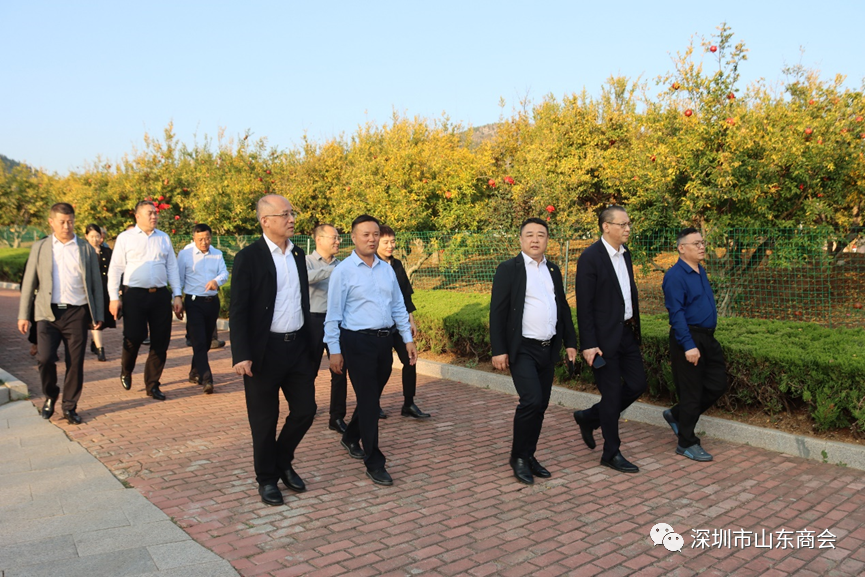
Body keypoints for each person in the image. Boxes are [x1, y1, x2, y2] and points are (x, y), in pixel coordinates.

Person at [230, 195, 317, 507]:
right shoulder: (248, 257)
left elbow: (301, 301)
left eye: (292, 213)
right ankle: (267, 479)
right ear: (265, 221)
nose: (292, 219)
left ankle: (282, 461)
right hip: (263, 352)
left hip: (297, 348)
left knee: (306, 410)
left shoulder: (297, 254)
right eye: (285, 214)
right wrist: (241, 353)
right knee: (264, 421)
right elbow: (238, 309)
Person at [325, 215, 417, 486]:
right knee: (368, 401)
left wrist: (407, 339)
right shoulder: (343, 271)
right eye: (365, 234)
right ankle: (374, 461)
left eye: (375, 234)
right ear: (353, 238)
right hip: (356, 342)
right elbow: (333, 314)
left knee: (372, 396)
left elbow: (398, 306)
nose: (372, 239)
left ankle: (350, 436)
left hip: (384, 342)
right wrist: (334, 350)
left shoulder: (386, 269)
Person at [489, 218, 578, 484]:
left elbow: (562, 308)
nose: (535, 239)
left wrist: (570, 342)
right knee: (531, 401)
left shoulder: (553, 269)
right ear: (520, 239)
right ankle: (517, 457)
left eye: (541, 235)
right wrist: (499, 350)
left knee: (541, 405)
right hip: (523, 348)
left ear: (548, 240)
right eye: (530, 235)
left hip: (547, 349)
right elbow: (497, 312)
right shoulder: (508, 269)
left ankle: (529, 455)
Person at [573, 205, 647, 473]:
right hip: (602, 341)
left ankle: (590, 416)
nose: (628, 228)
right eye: (622, 224)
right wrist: (588, 344)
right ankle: (611, 453)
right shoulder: (590, 257)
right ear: (606, 226)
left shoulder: (626, 254)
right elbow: (584, 305)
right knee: (612, 394)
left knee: (638, 384)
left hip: (626, 333)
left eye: (629, 224)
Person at [17, 203, 104, 425]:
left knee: (75, 362)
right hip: (47, 312)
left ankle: (69, 406)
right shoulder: (40, 247)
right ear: (51, 222)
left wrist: (98, 314)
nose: (67, 226)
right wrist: (23, 314)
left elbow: (96, 284)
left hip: (77, 312)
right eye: (62, 222)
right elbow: (29, 282)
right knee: (44, 358)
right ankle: (50, 394)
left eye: (70, 222)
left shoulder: (84, 248)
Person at [661, 228, 728, 462]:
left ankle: (677, 415)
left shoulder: (700, 270)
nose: (702, 246)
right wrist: (689, 345)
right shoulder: (675, 276)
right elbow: (676, 314)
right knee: (691, 392)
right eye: (696, 243)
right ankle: (686, 443)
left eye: (702, 242)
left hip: (707, 337)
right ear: (681, 248)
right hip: (688, 338)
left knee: (717, 384)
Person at [107, 200, 183, 401]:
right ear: (137, 216)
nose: (154, 216)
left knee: (160, 341)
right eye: (149, 213)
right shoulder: (125, 238)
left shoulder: (163, 238)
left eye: (155, 213)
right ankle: (126, 369)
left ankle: (153, 384)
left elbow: (172, 267)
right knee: (134, 336)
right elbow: (115, 269)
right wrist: (114, 297)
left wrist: (177, 294)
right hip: (134, 295)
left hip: (160, 295)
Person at [376, 225, 431, 419]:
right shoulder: (371, 266)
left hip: (399, 324)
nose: (390, 246)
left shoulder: (397, 265)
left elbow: (405, 296)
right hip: (380, 326)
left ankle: (409, 403)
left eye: (392, 241)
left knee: (410, 360)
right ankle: (373, 403)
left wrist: (410, 321)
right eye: (385, 242)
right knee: (383, 367)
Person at [305, 223, 350, 433]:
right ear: (319, 239)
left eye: (338, 238)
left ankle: (337, 416)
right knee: (309, 369)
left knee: (339, 368)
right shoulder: (305, 261)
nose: (338, 241)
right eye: (334, 238)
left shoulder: (342, 264)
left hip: (338, 322)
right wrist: (331, 271)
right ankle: (306, 408)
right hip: (313, 321)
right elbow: (304, 279)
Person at [177, 224, 228, 395]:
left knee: (205, 342)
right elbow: (179, 278)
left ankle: (194, 372)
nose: (204, 242)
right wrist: (177, 298)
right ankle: (207, 379)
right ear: (194, 238)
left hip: (212, 302)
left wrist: (216, 281)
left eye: (207, 238)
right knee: (198, 341)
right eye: (200, 239)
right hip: (194, 303)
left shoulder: (217, 254)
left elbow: (224, 273)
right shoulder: (185, 254)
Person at [84, 223, 115, 362]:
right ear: (86, 236)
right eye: (92, 236)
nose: (95, 239)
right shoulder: (82, 252)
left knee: (101, 319)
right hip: (88, 291)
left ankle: (95, 342)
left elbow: (114, 270)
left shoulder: (107, 252)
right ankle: (100, 349)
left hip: (104, 290)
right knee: (94, 318)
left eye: (97, 236)